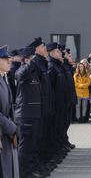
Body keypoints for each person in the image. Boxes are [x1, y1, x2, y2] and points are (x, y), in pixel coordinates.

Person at [15, 46, 49, 178]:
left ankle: (31, 170)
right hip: (25, 116)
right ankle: (23, 173)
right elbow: (20, 75)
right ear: (27, 59)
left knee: (33, 145)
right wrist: (31, 61)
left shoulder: (34, 72)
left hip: (35, 115)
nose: (34, 61)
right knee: (25, 147)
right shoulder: (22, 69)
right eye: (31, 59)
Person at [28, 37, 57, 173]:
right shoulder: (36, 64)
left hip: (45, 108)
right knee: (34, 141)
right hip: (36, 110)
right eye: (43, 46)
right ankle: (33, 168)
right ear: (37, 49)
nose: (45, 49)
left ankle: (40, 163)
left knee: (41, 138)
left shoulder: (42, 64)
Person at [47, 42, 68, 165]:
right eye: (57, 51)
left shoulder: (58, 66)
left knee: (59, 129)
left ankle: (57, 151)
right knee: (53, 131)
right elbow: (50, 89)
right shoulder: (51, 66)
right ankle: (53, 154)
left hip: (61, 104)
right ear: (51, 53)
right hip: (55, 106)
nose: (60, 53)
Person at [0, 45, 19, 178]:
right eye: (5, 58)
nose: (9, 61)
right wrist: (12, 127)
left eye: (9, 58)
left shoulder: (3, 78)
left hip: (7, 134)